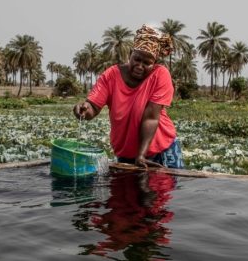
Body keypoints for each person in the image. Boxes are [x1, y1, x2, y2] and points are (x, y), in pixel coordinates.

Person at [73, 24, 183, 169]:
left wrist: (141, 155)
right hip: (126, 153)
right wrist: (84, 109)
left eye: (147, 63)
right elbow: (93, 106)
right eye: (137, 59)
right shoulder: (111, 75)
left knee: (162, 190)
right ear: (130, 53)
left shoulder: (160, 75)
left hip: (161, 151)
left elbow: (151, 117)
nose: (140, 66)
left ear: (154, 63)